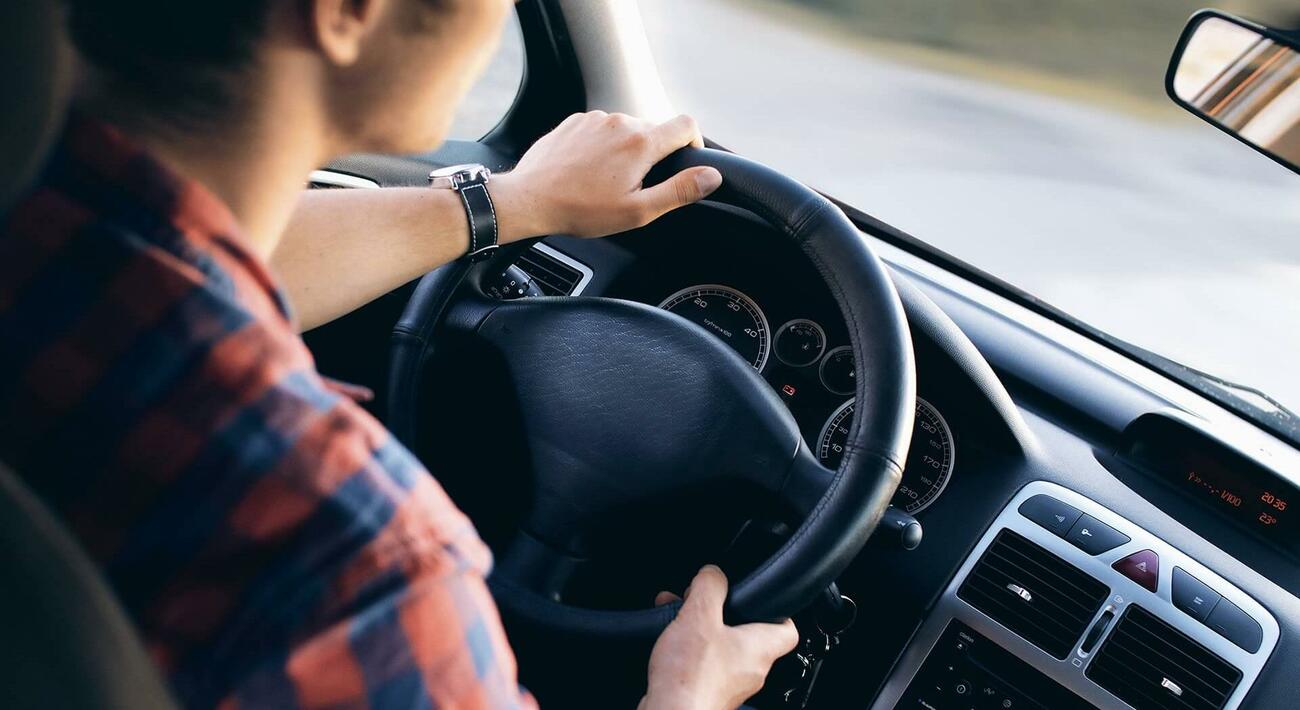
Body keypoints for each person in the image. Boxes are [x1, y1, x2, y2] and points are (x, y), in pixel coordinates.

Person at [0, 0, 798, 708]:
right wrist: (687, 695)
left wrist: (515, 202)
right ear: (346, 11)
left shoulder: (42, 229)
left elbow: (196, 257)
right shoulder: (354, 566)